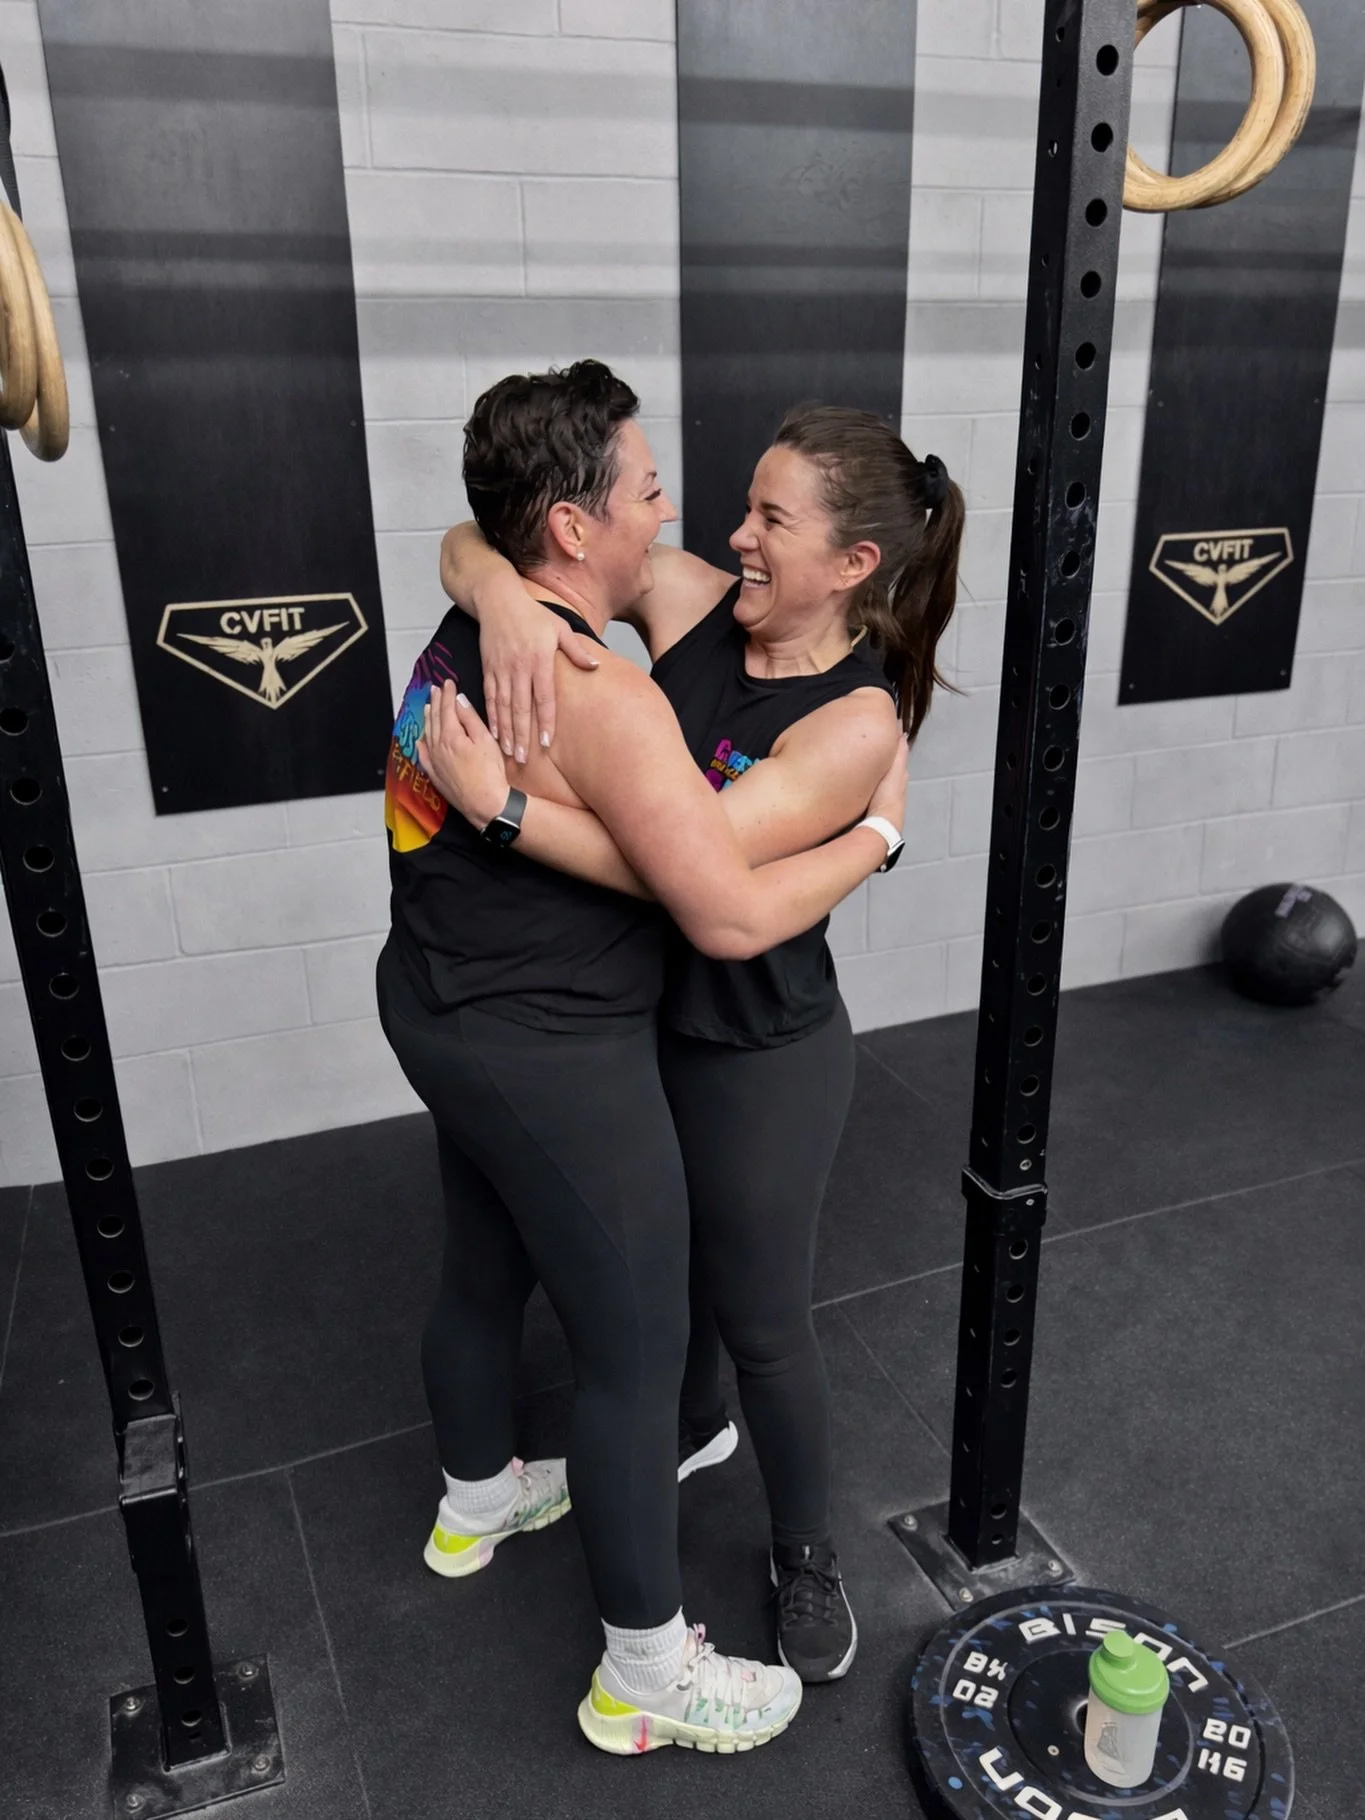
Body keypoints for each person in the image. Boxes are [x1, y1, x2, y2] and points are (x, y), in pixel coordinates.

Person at [379, 360, 907, 1756]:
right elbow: (711, 901)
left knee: (699, 1314)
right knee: (635, 1349)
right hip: (553, 1036)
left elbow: (721, 903)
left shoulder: (847, 714)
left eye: (764, 515)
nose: (709, 526)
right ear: (570, 528)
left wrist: (871, 834)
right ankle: (643, 1673)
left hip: (670, 1032)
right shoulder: (621, 649)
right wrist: (493, 589)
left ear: (851, 562)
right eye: (671, 492)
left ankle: (515, 1502)